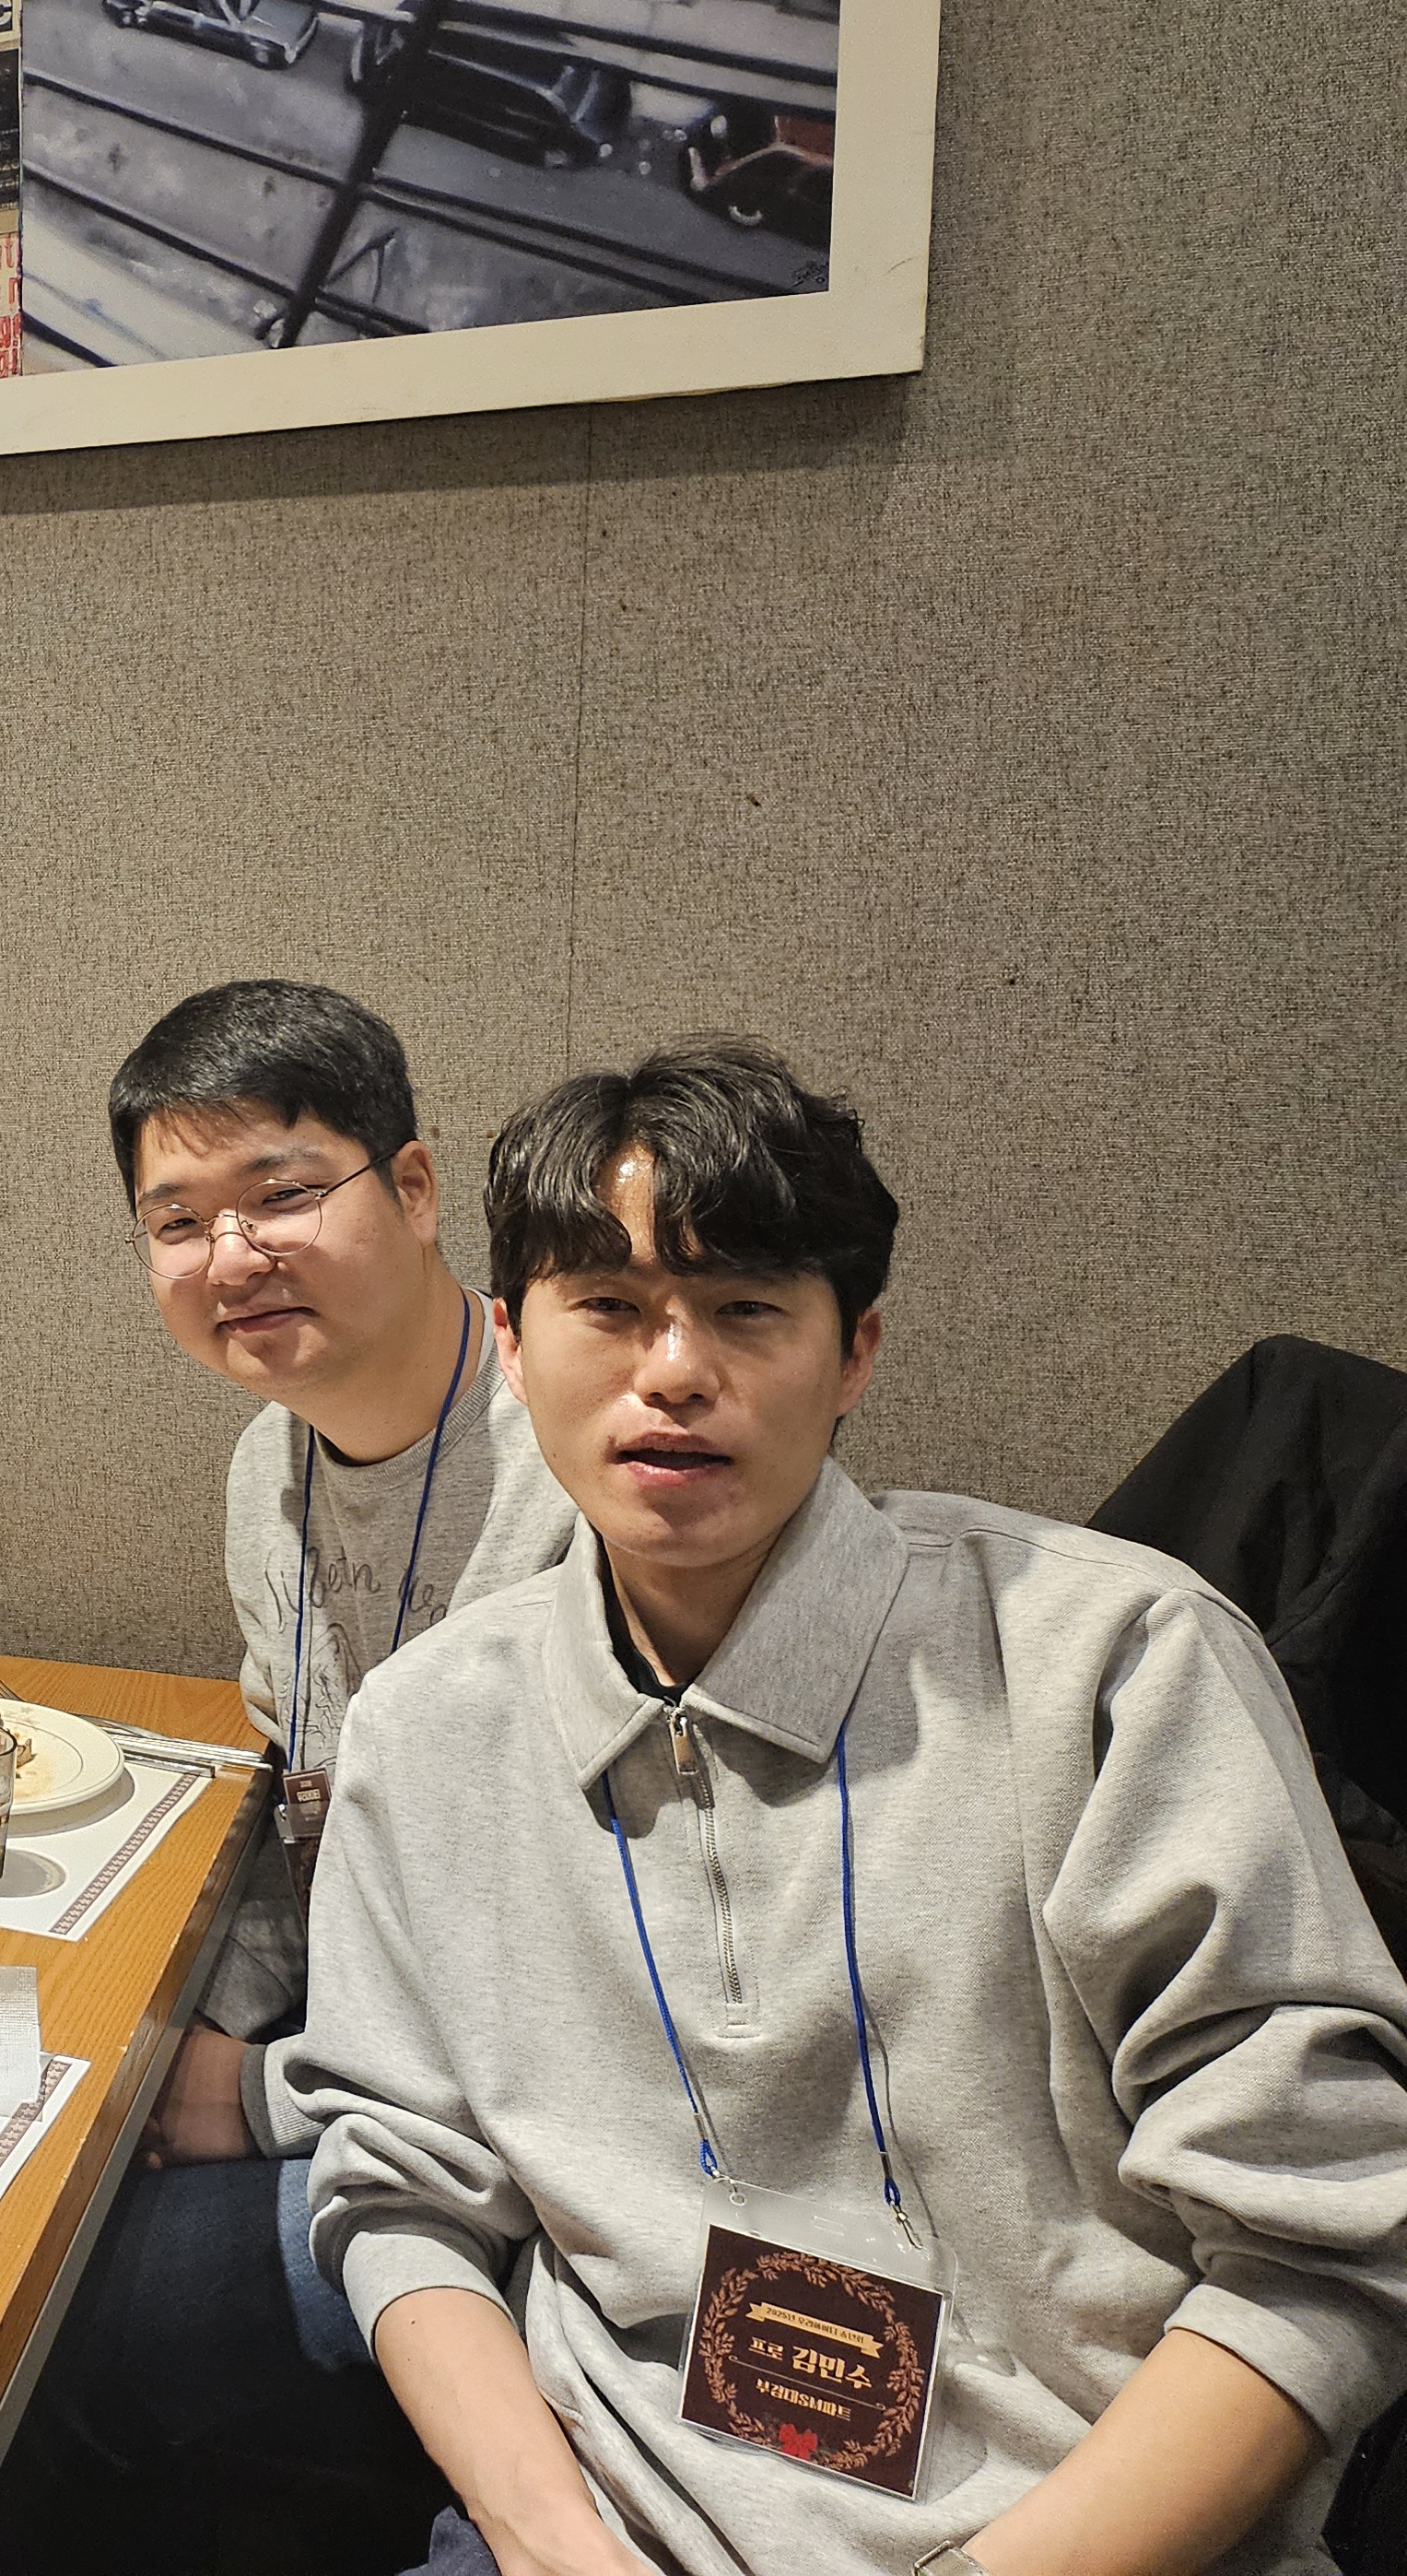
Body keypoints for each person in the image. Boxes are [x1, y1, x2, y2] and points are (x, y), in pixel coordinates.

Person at [295, 1041, 1407, 2575]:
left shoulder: (1116, 1666)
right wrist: (545, 2536)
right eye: (606, 1306)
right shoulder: (427, 1728)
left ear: (856, 1351)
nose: (674, 1369)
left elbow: (1323, 2239)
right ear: (510, 1343)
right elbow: (396, 2182)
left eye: (747, 1309)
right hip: (611, 2514)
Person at [0, 981, 576, 2574]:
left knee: (52, 2318)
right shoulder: (272, 1460)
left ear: (417, 1188)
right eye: (178, 1222)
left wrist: (261, 2095)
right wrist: (216, 2030)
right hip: (389, 2085)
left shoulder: (586, 1460)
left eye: (284, 1192)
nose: (232, 1256)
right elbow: (298, 1795)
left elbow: (608, 1996)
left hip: (541, 2206)